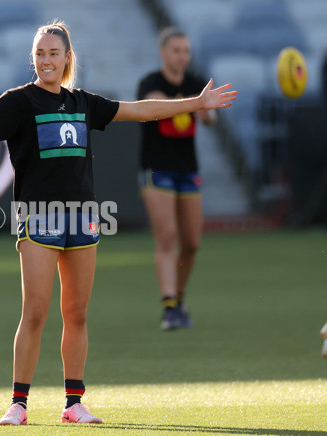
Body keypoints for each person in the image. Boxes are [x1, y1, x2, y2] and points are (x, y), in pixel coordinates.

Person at [0, 20, 236, 426]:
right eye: (39, 53)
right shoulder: (18, 101)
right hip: (37, 217)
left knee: (77, 313)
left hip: (84, 217)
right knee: (34, 311)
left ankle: (74, 403)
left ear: (68, 57)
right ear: (32, 58)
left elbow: (140, 111)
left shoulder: (83, 102)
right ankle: (18, 404)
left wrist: (195, 103)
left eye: (53, 53)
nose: (46, 60)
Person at [136, 28, 218, 331]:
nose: (182, 56)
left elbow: (211, 118)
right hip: (157, 169)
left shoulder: (196, 82)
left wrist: (207, 110)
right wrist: (193, 103)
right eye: (176, 50)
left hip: (187, 170)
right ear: (163, 53)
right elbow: (153, 108)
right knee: (167, 236)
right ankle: (169, 305)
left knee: (193, 242)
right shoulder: (150, 83)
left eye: (186, 50)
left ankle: (179, 299)